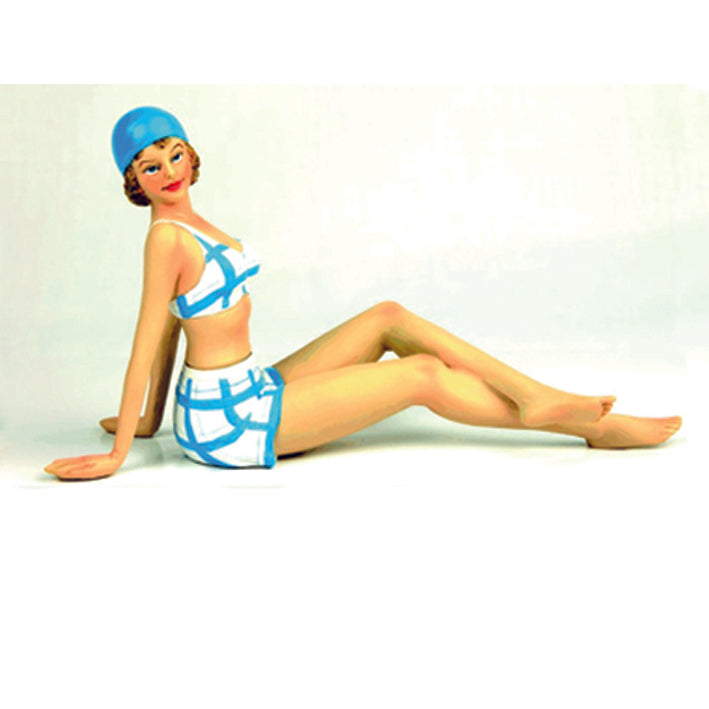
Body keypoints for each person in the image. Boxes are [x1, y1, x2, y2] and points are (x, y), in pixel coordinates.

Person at [44, 107, 682, 481]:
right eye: (149, 166)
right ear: (133, 183)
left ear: (190, 154)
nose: (167, 172)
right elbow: (148, 341)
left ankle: (536, 395)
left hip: (251, 386)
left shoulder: (192, 225)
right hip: (227, 423)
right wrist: (121, 451)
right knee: (421, 375)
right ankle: (592, 429)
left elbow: (176, 327)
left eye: (173, 154)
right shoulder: (165, 240)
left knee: (387, 317)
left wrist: (151, 422)